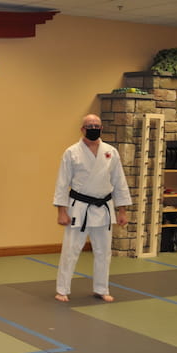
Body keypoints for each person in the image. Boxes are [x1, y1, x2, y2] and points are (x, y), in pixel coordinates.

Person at [53, 114, 131, 303]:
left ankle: (101, 288)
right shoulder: (72, 152)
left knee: (104, 251)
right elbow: (62, 183)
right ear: (82, 129)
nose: (93, 128)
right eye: (90, 125)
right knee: (71, 250)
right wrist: (61, 211)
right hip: (79, 207)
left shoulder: (111, 152)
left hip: (104, 207)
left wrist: (122, 210)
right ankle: (62, 289)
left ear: (102, 128)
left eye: (96, 125)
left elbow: (119, 182)